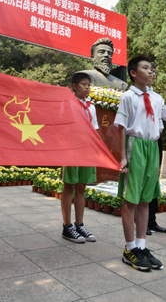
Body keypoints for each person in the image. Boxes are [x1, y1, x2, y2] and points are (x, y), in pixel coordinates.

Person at [114, 55, 163, 271]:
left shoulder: (157, 98)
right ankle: (129, 248)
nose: (151, 71)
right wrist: (123, 156)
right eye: (146, 68)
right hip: (135, 146)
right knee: (131, 199)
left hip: (152, 147)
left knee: (145, 199)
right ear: (134, 73)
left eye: (152, 69)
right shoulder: (128, 96)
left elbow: (161, 123)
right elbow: (121, 127)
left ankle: (142, 246)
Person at [60, 72, 99, 243]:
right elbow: (62, 125)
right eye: (84, 84)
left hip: (87, 151)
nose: (87, 87)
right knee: (69, 186)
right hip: (71, 149)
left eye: (89, 85)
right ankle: (67, 227)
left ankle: (79, 224)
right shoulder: (68, 103)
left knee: (82, 187)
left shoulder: (91, 107)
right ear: (74, 87)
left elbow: (95, 130)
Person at [147, 63, 166, 235]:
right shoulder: (134, 94)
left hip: (156, 139)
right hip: (142, 141)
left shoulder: (157, 97)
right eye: (149, 71)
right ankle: (141, 220)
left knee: (154, 180)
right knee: (143, 180)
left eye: (154, 72)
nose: (152, 74)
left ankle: (152, 220)